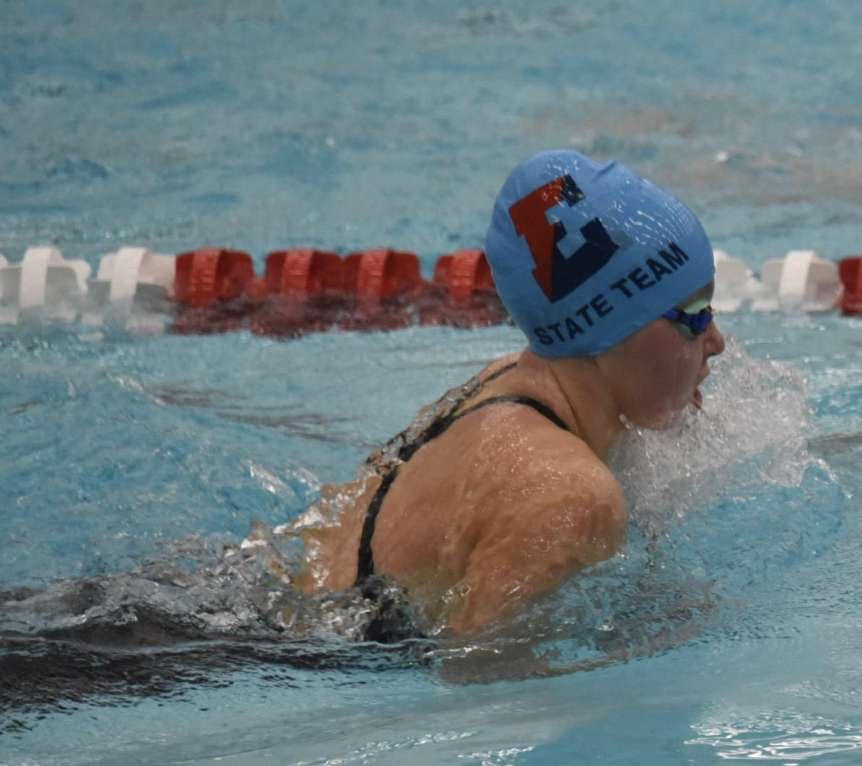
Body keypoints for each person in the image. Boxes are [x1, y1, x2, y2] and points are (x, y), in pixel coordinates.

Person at [294, 150, 725, 642]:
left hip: (293, 616)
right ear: (612, 331)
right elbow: (480, 679)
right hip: (290, 662)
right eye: (694, 313)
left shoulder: (506, 385)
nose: (716, 341)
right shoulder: (571, 496)